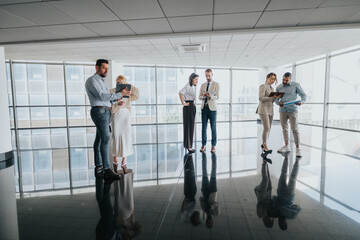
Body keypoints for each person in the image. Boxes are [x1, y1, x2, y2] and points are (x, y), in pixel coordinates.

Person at [85, 59, 130, 181]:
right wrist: (118, 94)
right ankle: (107, 169)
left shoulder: (102, 81)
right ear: (97, 67)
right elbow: (101, 96)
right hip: (99, 111)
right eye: (104, 68)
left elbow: (106, 98)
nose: (106, 70)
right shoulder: (92, 80)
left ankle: (99, 166)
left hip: (105, 111)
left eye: (107, 68)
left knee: (99, 139)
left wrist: (115, 100)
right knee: (105, 138)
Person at [110, 75, 139, 174]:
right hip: (116, 114)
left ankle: (124, 159)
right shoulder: (112, 91)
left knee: (126, 136)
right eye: (118, 82)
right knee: (116, 136)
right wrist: (117, 103)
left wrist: (128, 87)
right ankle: (115, 157)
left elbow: (137, 94)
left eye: (121, 82)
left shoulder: (128, 91)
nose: (119, 84)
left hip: (125, 115)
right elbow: (108, 103)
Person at [275, 72, 307, 157]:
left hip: (293, 110)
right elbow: (275, 99)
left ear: (290, 79)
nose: (284, 81)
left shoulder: (296, 85)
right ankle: (286, 146)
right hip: (282, 110)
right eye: (283, 79)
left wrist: (302, 102)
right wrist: (278, 103)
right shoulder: (279, 87)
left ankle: (298, 149)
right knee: (284, 129)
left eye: (286, 80)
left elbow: (304, 96)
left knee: (294, 129)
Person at [256, 73, 279, 158]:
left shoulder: (272, 88)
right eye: (271, 78)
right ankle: (265, 146)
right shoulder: (263, 86)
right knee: (267, 128)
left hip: (270, 109)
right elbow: (261, 98)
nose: (272, 80)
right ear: (267, 78)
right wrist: (272, 98)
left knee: (269, 128)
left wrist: (275, 98)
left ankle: (264, 144)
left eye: (274, 79)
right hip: (263, 109)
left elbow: (271, 100)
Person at [199, 69, 220, 153]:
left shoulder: (216, 84)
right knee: (204, 128)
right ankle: (203, 145)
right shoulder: (203, 85)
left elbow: (217, 96)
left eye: (209, 76)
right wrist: (204, 96)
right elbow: (199, 97)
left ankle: (213, 145)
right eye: (206, 76)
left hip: (212, 109)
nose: (207, 77)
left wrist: (210, 96)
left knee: (213, 127)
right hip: (204, 108)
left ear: (212, 74)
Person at [179, 73, 199, 153]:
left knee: (189, 126)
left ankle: (187, 145)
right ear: (192, 79)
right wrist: (183, 103)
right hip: (189, 106)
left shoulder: (190, 86)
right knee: (189, 127)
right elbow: (180, 93)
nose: (197, 81)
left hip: (190, 106)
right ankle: (189, 146)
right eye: (196, 79)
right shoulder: (187, 86)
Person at [200, 152, 219, 228]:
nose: (209, 221)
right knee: (213, 170)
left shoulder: (204, 213)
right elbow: (216, 204)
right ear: (212, 222)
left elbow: (200, 199)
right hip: (213, 191)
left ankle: (204, 154)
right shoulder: (216, 213)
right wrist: (210, 206)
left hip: (205, 191)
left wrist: (206, 205)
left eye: (207, 222)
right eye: (210, 222)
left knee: (204, 171)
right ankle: (214, 154)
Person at [180, 154, 200, 226]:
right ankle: (188, 156)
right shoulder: (191, 213)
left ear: (193, 219)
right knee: (190, 173)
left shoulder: (187, 214)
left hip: (189, 194)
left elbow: (182, 210)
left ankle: (188, 156)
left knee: (189, 173)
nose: (198, 218)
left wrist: (185, 200)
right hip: (191, 193)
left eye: (197, 219)